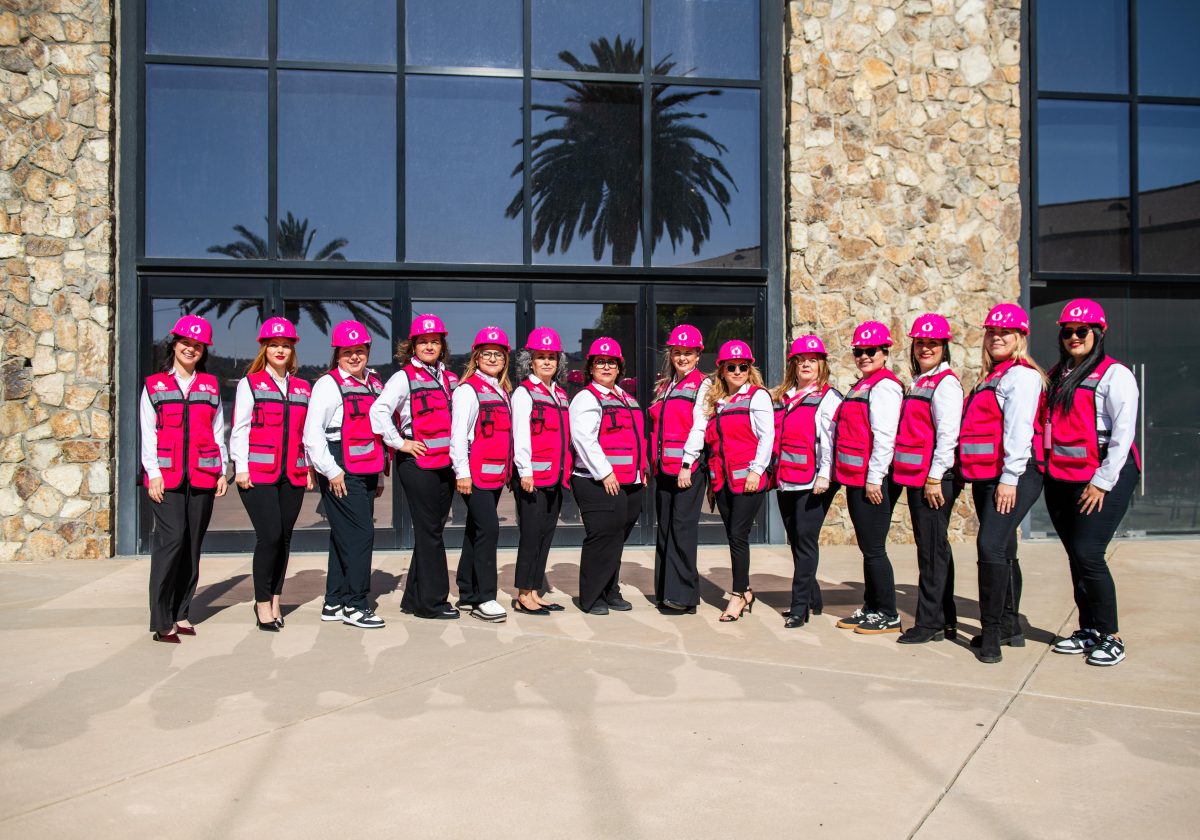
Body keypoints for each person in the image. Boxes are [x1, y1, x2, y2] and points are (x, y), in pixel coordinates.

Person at [1041, 299, 1140, 666]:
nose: (1074, 337)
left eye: (1082, 331)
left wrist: (1102, 482)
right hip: (1062, 476)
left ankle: (1112, 635)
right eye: (1067, 331)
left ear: (1099, 332)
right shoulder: (1057, 374)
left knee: (1089, 552)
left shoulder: (1116, 375)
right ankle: (1089, 630)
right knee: (1075, 555)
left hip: (1102, 475)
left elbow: (1123, 434)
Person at [960, 303, 1046, 663]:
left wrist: (1009, 479)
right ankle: (1010, 626)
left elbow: (1019, 430)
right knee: (1005, 548)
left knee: (990, 546)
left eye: (1005, 332)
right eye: (992, 332)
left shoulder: (1021, 376)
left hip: (1015, 474)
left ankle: (992, 634)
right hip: (987, 476)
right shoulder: (991, 376)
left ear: (1020, 337)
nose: (997, 337)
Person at [141, 314, 229, 643]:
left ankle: (181, 612)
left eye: (197, 345)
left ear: (204, 350)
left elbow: (217, 431)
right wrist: (152, 473)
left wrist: (221, 470)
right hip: (167, 478)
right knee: (172, 541)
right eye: (185, 343)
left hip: (203, 476)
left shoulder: (210, 386)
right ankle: (162, 619)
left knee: (192, 546)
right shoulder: (155, 385)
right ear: (174, 345)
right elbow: (148, 433)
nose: (190, 349)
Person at [370, 313, 460, 620]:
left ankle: (412, 598)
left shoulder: (449, 378)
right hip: (417, 463)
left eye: (435, 341)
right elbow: (379, 411)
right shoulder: (403, 377)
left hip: (445, 463)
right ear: (413, 346)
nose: (429, 346)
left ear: (442, 345)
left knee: (431, 531)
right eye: (423, 342)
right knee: (430, 532)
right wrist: (400, 443)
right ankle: (432, 603)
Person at [230, 316, 314, 632]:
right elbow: (240, 428)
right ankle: (262, 601)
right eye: (274, 345)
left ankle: (276, 598)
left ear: (293, 350)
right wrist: (241, 467)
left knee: (286, 538)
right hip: (258, 473)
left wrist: (308, 467)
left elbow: (306, 433)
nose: (280, 350)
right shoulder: (250, 384)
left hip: (292, 473)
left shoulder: (303, 387)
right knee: (270, 536)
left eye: (285, 345)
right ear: (264, 349)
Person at [302, 320, 387, 629]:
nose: (354, 357)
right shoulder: (328, 384)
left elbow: (378, 431)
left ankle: (334, 601)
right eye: (347, 351)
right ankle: (355, 604)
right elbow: (312, 434)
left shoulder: (374, 383)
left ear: (368, 352)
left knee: (344, 535)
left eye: (360, 350)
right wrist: (331, 471)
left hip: (368, 465)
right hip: (340, 465)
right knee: (361, 534)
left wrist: (379, 475)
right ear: (337, 354)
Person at [892, 314, 963, 644]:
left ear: (944, 346)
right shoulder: (921, 381)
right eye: (920, 342)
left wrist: (934, 478)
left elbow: (948, 435)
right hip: (919, 478)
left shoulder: (945, 383)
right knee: (935, 548)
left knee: (931, 553)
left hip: (933, 481)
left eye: (933, 343)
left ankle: (929, 622)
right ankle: (946, 618)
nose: (925, 348)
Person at [833, 320, 905, 635]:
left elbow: (884, 436)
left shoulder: (885, 386)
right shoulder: (864, 383)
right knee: (867, 546)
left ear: (885, 353)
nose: (864, 356)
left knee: (874, 548)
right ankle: (872, 607)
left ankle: (888, 613)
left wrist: (875, 478)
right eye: (859, 351)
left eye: (871, 350)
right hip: (857, 477)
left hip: (872, 480)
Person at [569, 337, 645, 615]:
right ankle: (592, 597)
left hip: (630, 481)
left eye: (611, 362)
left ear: (619, 367)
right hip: (596, 481)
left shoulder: (626, 397)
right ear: (590, 367)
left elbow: (637, 438)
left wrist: (641, 470)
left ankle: (611, 590)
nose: (606, 367)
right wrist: (605, 473)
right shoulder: (586, 398)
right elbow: (584, 439)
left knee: (616, 540)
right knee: (601, 538)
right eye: (600, 362)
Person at [771, 335, 841, 629]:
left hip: (814, 481)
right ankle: (813, 597)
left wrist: (825, 475)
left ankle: (799, 607)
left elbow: (830, 440)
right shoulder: (784, 397)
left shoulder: (828, 397)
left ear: (821, 364)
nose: (806, 365)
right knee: (797, 541)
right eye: (800, 360)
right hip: (787, 480)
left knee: (806, 541)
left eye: (812, 360)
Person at [704, 340, 774, 622]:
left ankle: (737, 595)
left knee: (737, 535)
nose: (737, 371)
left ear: (749, 369)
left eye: (742, 366)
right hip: (722, 481)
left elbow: (767, 436)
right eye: (731, 367)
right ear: (722, 370)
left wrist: (757, 471)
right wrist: (712, 483)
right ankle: (745, 591)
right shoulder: (718, 402)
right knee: (734, 536)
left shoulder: (758, 396)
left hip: (747, 480)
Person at [450, 327, 513, 623]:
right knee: (489, 530)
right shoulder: (467, 390)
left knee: (475, 530)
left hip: (495, 474)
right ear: (476, 357)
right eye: (486, 354)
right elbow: (458, 435)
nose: (492, 358)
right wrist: (462, 473)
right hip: (475, 476)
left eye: (498, 354)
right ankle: (485, 598)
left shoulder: (501, 390)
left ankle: (466, 591)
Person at [649, 324, 710, 614]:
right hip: (664, 469)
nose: (682, 358)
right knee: (665, 529)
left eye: (688, 353)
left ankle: (684, 596)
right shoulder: (665, 386)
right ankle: (665, 591)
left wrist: (687, 463)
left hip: (688, 469)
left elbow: (699, 427)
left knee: (682, 530)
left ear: (698, 355)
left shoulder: (703, 385)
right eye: (677, 352)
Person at [510, 327, 572, 615]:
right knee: (531, 535)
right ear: (530, 362)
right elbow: (520, 435)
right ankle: (523, 594)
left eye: (552, 357)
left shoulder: (559, 393)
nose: (547, 362)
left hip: (555, 477)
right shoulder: (524, 393)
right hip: (532, 478)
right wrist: (525, 471)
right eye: (541, 357)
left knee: (545, 535)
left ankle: (535, 590)